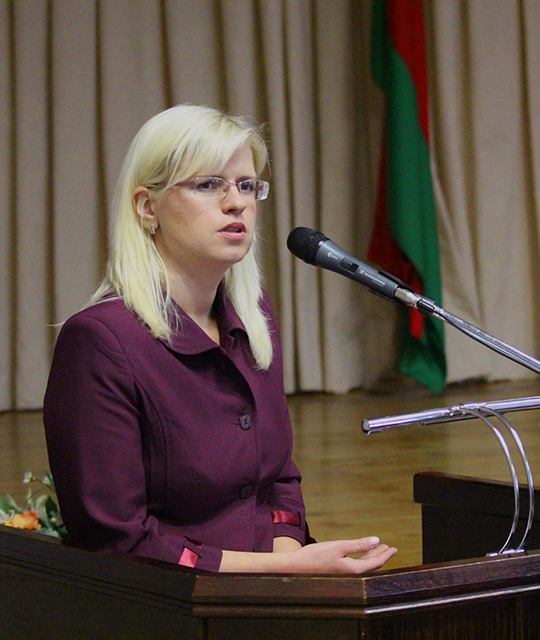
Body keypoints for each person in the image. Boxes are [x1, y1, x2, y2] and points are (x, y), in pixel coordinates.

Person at [43, 105, 397, 573]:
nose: (237, 203)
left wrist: (291, 567)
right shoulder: (99, 341)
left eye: (247, 185)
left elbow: (279, 478)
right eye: (209, 185)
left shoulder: (252, 317)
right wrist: (283, 572)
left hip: (268, 587)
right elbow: (116, 540)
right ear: (147, 207)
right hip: (171, 601)